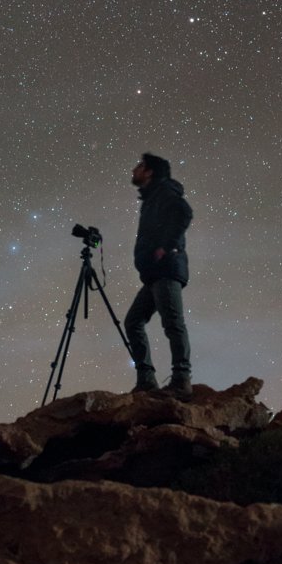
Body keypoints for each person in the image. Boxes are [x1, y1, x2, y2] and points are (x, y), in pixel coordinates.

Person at [124, 153, 193, 400]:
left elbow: (184, 213)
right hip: (154, 274)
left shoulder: (164, 192)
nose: (134, 169)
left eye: (139, 166)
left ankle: (181, 379)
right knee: (133, 322)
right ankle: (146, 379)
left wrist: (167, 246)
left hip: (166, 270)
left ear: (150, 171)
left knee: (172, 322)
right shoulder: (153, 197)